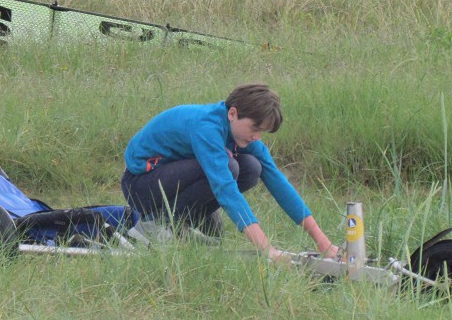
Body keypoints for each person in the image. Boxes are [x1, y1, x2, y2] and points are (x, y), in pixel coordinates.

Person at [121, 83, 340, 262]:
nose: (257, 138)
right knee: (229, 167)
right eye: (255, 129)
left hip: (172, 178)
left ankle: (179, 226)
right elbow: (225, 189)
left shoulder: (240, 134)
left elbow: (278, 182)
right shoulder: (207, 127)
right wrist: (268, 250)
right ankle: (152, 224)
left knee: (252, 168)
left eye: (262, 133)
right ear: (233, 114)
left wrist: (324, 243)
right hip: (140, 184)